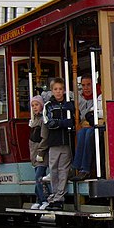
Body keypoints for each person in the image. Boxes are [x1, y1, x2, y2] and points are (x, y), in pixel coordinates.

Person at [40, 77, 74, 211]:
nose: (58, 92)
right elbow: (49, 122)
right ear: (52, 91)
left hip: (66, 141)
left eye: (60, 89)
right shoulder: (49, 105)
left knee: (63, 169)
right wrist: (63, 123)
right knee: (53, 169)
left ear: (64, 90)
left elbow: (72, 120)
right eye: (56, 89)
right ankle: (54, 194)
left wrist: (65, 122)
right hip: (54, 142)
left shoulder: (68, 104)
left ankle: (60, 196)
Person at [70, 75, 101, 180]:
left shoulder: (98, 97)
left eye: (88, 85)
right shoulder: (79, 98)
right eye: (83, 85)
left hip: (96, 124)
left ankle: (85, 169)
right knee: (81, 133)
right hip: (84, 125)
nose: (86, 88)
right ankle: (77, 167)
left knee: (88, 133)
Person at [28, 95, 50, 209]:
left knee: (39, 177)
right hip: (35, 154)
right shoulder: (34, 120)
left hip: (41, 155)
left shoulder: (42, 120)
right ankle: (39, 200)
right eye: (33, 105)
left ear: (41, 105)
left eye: (36, 105)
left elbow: (44, 138)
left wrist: (40, 153)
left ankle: (44, 199)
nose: (35, 107)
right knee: (38, 177)